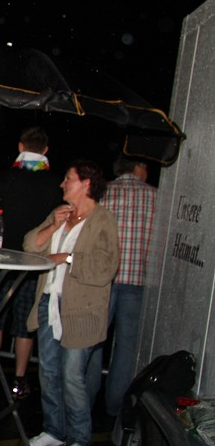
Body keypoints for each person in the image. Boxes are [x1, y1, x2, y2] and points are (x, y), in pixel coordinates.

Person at [23, 159, 119, 446]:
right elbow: (30, 245)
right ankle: (54, 430)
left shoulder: (103, 220)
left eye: (68, 179)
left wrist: (67, 257)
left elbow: (105, 268)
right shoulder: (60, 214)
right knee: (48, 372)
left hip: (81, 311)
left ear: (86, 184)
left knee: (72, 377)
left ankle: (80, 440)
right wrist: (53, 225)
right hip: (49, 302)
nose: (62, 184)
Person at [0, 126, 62, 399]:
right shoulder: (54, 185)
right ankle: (19, 380)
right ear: (45, 151)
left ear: (21, 147)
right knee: (25, 323)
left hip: (0, 260)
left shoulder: (4, 179)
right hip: (33, 263)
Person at [87, 157, 156, 417]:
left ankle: (85, 402)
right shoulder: (155, 197)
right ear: (138, 168)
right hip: (137, 280)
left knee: (93, 342)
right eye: (146, 167)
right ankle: (116, 409)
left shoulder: (103, 193)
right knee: (126, 348)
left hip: (102, 280)